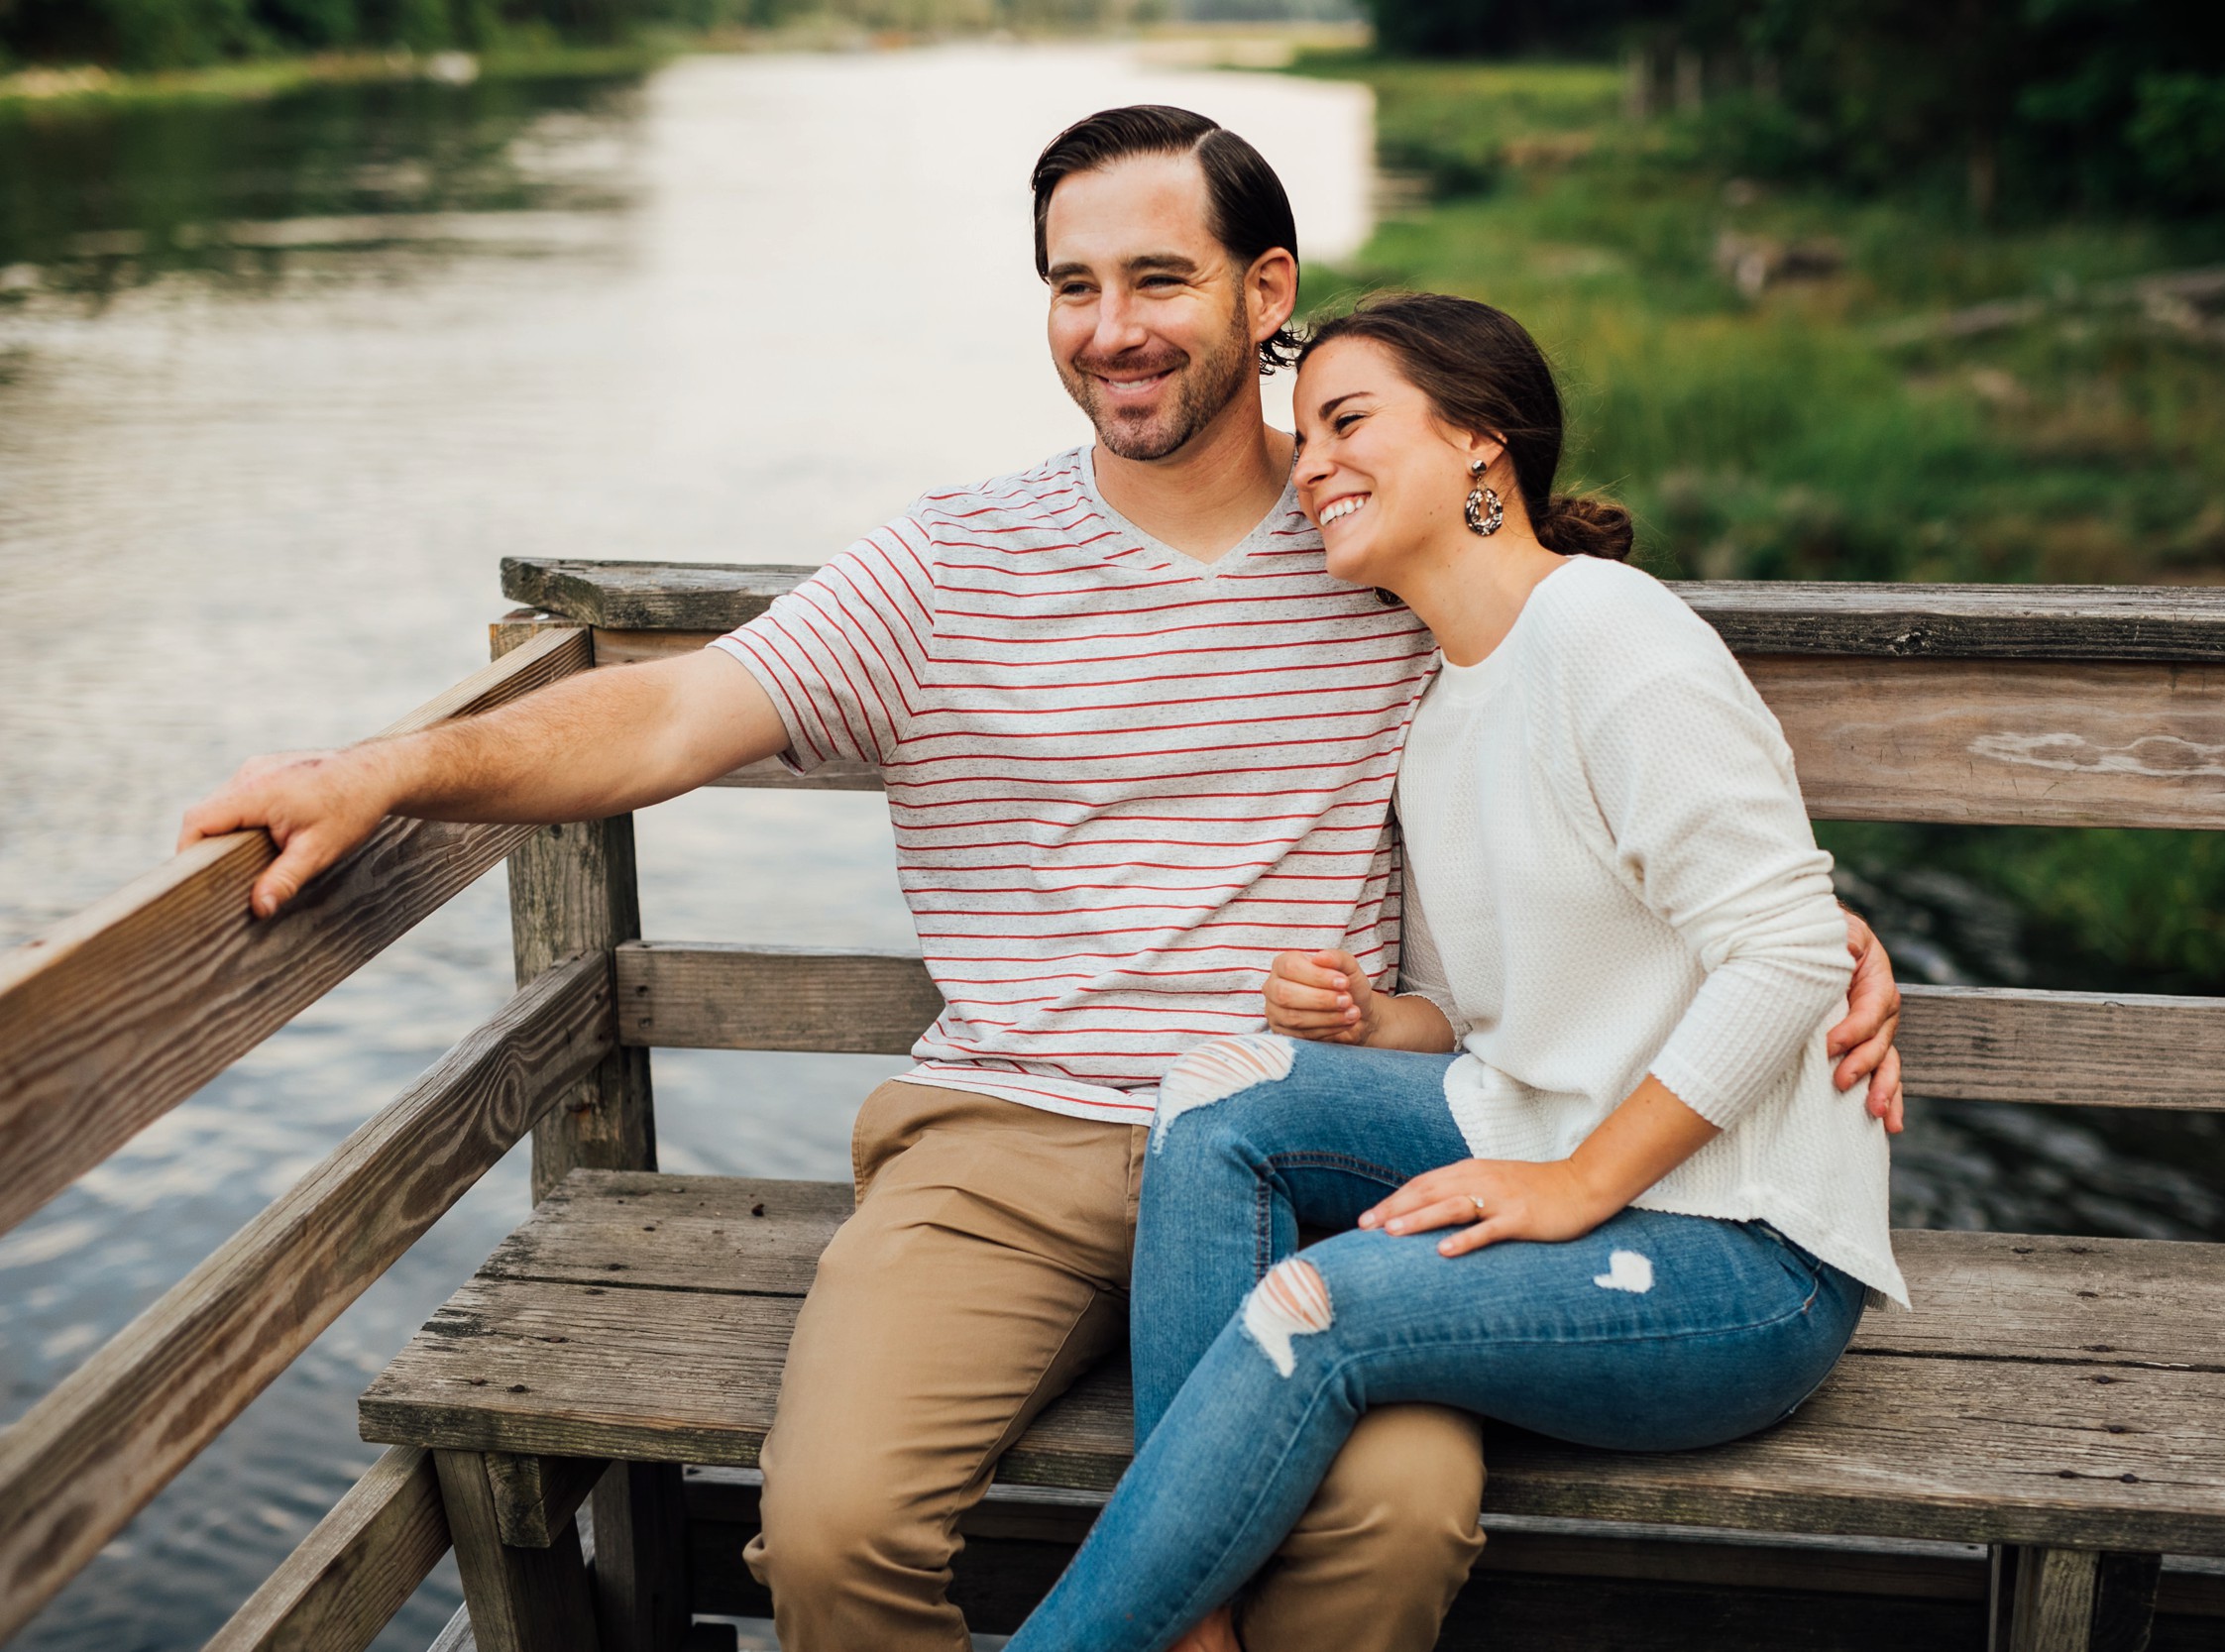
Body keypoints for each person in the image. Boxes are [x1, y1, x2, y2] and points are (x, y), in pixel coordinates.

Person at [174, 111, 1905, 1652]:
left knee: (1387, 1536)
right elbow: (667, 718)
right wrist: (388, 767)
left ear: (1263, 289)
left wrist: (1823, 937)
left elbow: (1634, 766)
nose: (1112, 328)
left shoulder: (1372, 549)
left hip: (1333, 1154)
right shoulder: (949, 564)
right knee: (836, 1544)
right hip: (1014, 1142)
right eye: (1071, 285)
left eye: (1160, 275)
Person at [1000, 291, 1913, 1652]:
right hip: (1533, 1130)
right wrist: (1377, 1019)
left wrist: (1577, 1185)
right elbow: (1481, 1020)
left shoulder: (1609, 633)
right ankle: (1190, 1622)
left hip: (1740, 1255)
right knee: (1220, 1094)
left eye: (1348, 422)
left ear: (1482, 442)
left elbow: (1781, 946)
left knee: (1322, 1306)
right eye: (1303, 436)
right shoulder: (1443, 704)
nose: (1308, 466)